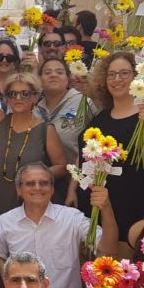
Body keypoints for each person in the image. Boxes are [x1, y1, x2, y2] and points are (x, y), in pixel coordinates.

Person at [0, 163, 115, 288]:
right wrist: (7, 271)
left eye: (44, 183)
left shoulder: (71, 218)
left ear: (52, 188)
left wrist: (106, 208)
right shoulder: (5, 221)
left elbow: (107, 248)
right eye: (30, 183)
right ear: (19, 190)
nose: (37, 188)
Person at [0, 71, 67, 255]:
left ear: (36, 96)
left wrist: (37, 177)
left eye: (25, 93)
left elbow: (61, 165)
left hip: (24, 205)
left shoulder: (45, 130)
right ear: (7, 98)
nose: (18, 97)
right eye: (12, 94)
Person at [74, 52, 144, 254]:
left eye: (124, 73)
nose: (117, 79)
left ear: (136, 77)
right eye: (111, 74)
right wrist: (73, 186)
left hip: (129, 208)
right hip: (93, 209)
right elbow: (84, 156)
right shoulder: (100, 118)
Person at [36, 57, 92, 200]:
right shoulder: (34, 109)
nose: (53, 75)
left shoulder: (84, 102)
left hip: (79, 179)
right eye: (47, 72)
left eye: (59, 72)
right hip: (43, 181)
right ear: (40, 79)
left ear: (68, 79)